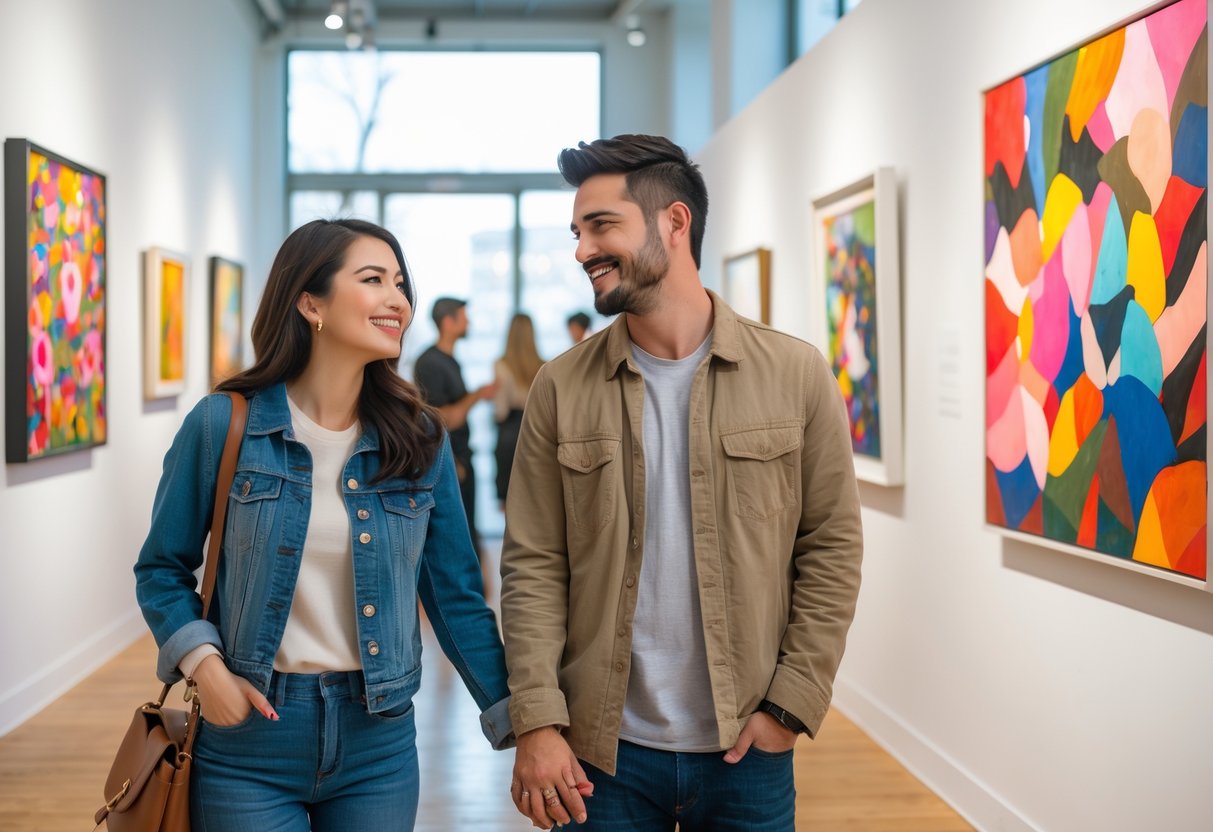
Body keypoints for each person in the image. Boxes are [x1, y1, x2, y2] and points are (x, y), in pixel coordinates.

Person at [500, 135, 863, 831]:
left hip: (745, 747)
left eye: (602, 226)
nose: (581, 250)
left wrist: (791, 703)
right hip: (599, 753)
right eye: (577, 232)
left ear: (674, 223)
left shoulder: (793, 374)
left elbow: (831, 548)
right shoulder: (560, 387)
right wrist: (537, 721)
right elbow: (532, 567)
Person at [134, 219, 512, 830]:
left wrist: (518, 718)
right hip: (248, 740)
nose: (398, 300)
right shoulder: (223, 425)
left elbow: (456, 599)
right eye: (373, 280)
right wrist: (206, 668)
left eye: (400, 283)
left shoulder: (420, 439)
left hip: (379, 740)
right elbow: (161, 568)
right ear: (310, 302)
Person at [413, 297, 497, 561]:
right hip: (452, 462)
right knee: (453, 545)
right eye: (463, 315)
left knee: (469, 533)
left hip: (461, 460)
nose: (468, 321)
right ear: (448, 322)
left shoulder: (450, 361)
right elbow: (442, 419)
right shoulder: (430, 363)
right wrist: (479, 395)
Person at [492, 313, 544, 505]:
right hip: (537, 433)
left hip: (509, 432)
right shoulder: (544, 366)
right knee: (534, 501)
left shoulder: (501, 365)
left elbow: (501, 410)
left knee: (510, 502)